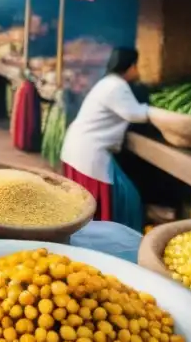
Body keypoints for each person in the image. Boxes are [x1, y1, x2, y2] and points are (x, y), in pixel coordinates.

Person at [60, 47, 149, 226]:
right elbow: (136, 114)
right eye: (137, 66)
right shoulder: (117, 86)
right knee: (126, 199)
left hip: (78, 149)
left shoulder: (107, 82)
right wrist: (162, 113)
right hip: (89, 153)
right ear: (131, 67)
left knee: (83, 205)